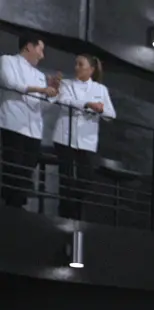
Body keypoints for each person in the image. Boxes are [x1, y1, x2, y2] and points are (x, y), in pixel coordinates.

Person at [50, 54, 115, 220]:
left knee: (85, 181)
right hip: (65, 137)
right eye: (76, 64)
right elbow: (64, 101)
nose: (76, 67)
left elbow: (111, 115)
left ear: (91, 69)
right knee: (67, 180)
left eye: (80, 64)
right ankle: (65, 217)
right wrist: (87, 104)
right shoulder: (66, 84)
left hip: (87, 141)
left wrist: (100, 109)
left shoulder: (101, 89)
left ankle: (77, 216)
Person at [0, 34, 60, 208]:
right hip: (12, 125)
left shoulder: (40, 75)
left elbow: (41, 107)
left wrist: (52, 93)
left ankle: (18, 210)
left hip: (33, 131)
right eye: (40, 50)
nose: (42, 55)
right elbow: (11, 83)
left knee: (26, 175)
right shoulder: (7, 61)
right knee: (12, 170)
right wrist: (41, 89)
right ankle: (9, 211)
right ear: (28, 46)